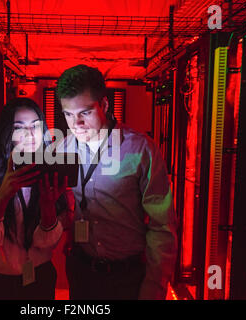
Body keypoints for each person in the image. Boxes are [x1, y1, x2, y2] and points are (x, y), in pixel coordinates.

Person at [55, 64, 178, 300]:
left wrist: (154, 287)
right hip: (82, 273)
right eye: (68, 115)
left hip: (129, 278)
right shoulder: (62, 148)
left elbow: (162, 226)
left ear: (105, 104)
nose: (76, 124)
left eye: (85, 112)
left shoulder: (141, 150)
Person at [0, 97, 74, 300]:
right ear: (7, 133)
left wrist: (48, 207)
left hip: (38, 279)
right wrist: (4, 193)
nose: (31, 134)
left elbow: (47, 243)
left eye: (36, 126)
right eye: (19, 127)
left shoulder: (49, 170)